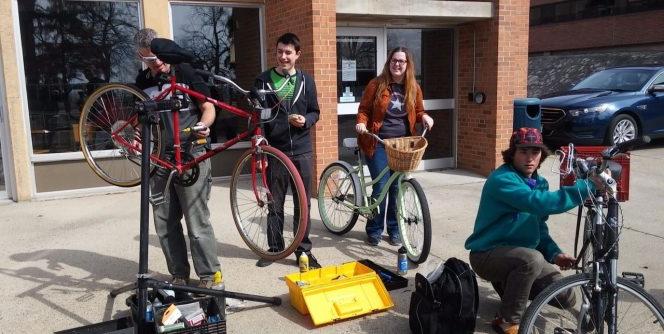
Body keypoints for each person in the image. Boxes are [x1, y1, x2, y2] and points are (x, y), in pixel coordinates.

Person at [464, 127, 605, 334]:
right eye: (523, 152)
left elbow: (538, 226)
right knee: (531, 260)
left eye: (535, 152)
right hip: (487, 254)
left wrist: (555, 254)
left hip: (518, 255)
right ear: (512, 153)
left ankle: (510, 287)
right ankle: (507, 321)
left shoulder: (540, 182)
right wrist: (587, 187)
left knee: (566, 296)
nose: (530, 158)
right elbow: (538, 203)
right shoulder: (502, 179)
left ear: (542, 155)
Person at [133, 28, 221, 288]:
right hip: (160, 158)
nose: (156, 64)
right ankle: (179, 274)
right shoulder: (143, 82)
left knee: (196, 221)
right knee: (164, 221)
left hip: (192, 152)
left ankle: (209, 276)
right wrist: (138, 136)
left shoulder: (185, 72)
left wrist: (204, 125)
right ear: (141, 57)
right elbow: (141, 122)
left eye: (157, 57)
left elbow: (208, 108)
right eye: (149, 60)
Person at [253, 32, 321, 269]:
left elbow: (315, 111)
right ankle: (274, 249)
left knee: (303, 204)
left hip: (302, 151)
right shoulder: (263, 81)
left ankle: (303, 251)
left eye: (288, 52)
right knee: (275, 202)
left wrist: (307, 120)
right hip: (275, 151)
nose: (283, 56)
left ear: (297, 55)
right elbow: (258, 117)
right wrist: (260, 144)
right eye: (280, 51)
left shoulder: (306, 81)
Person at [355, 47, 434, 247]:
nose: (397, 64)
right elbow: (364, 109)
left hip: (402, 145)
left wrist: (424, 116)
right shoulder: (376, 84)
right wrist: (361, 123)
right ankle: (374, 229)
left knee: (397, 189)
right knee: (381, 186)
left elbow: (418, 110)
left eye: (401, 61)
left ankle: (394, 229)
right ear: (389, 63)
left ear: (408, 65)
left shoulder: (413, 87)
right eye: (394, 60)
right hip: (378, 142)